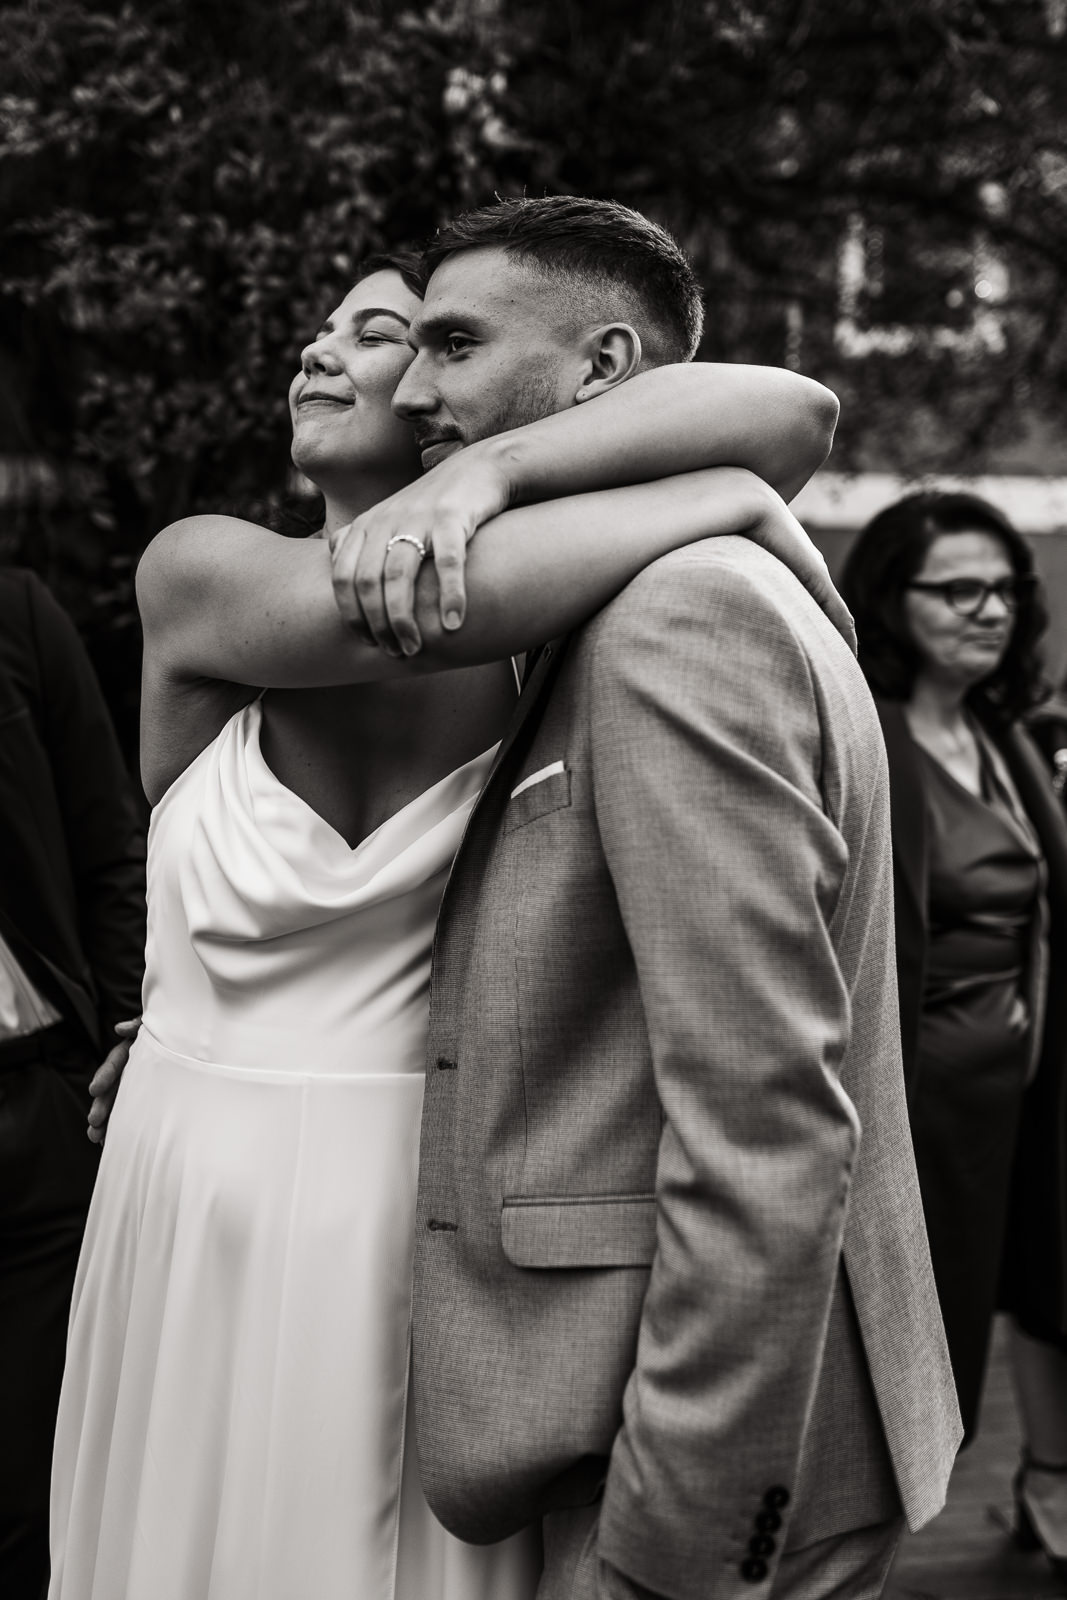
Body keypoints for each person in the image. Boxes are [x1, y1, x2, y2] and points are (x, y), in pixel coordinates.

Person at [50, 240, 846, 1600]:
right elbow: (407, 605)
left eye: (387, 335)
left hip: (427, 1199)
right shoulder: (202, 572)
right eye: (323, 326)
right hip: (182, 1182)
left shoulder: (554, 637)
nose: (321, 350)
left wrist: (496, 473)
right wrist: (716, 495)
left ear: (434, 391)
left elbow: (799, 412)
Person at [328, 194, 963, 1600]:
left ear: (603, 368)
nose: (411, 388)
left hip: (695, 1462)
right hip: (647, 1412)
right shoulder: (656, 581)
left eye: (452, 343)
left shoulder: (681, 616)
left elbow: (764, 1125)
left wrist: (674, 1552)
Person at [841, 489, 1067, 1577]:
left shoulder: (999, 733)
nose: (989, 611)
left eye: (1005, 591)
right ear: (890, 600)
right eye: (957, 589)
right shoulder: (866, 739)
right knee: (893, 1380)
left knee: (977, 1352)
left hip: (1011, 1103)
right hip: (911, 1111)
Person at [0, 567, 145, 1600]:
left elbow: (112, 854)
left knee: (36, 1506)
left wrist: (122, 1042)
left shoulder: (16, 616)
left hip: (34, 1120)